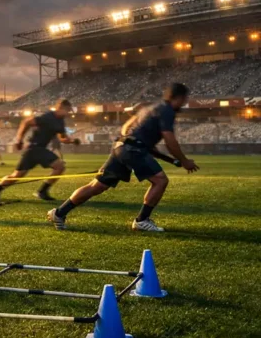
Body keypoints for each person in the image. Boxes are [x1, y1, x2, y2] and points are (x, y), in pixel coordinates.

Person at [47, 84, 198, 232]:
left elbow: (128, 128)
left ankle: (59, 213)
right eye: (184, 99)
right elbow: (169, 139)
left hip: (121, 146)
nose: (184, 103)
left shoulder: (150, 108)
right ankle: (142, 220)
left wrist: (165, 156)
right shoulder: (167, 111)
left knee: (97, 186)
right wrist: (184, 161)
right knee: (160, 180)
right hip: (133, 150)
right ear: (178, 98)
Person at [0, 99, 79, 203]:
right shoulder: (48, 117)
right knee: (59, 166)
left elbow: (63, 138)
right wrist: (19, 139)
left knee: (17, 175)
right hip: (34, 148)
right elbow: (26, 122)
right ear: (60, 108)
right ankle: (42, 192)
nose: (68, 113)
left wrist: (72, 140)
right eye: (68, 110)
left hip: (39, 150)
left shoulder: (60, 122)